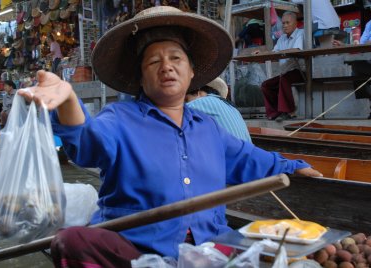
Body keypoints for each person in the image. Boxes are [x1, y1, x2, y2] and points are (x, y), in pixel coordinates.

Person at [18, 6, 322, 267]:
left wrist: (293, 166)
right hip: (137, 250)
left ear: (191, 72)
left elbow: (251, 159)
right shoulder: (119, 119)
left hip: (209, 247)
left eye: (176, 59)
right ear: (140, 77)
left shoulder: (208, 127)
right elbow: (87, 143)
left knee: (271, 247)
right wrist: (69, 100)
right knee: (69, 241)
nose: (166, 67)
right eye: (154, 62)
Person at [259, 11, 305, 122]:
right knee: (266, 85)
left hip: (300, 71)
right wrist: (261, 53)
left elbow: (297, 49)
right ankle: (275, 113)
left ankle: (289, 112)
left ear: (295, 23)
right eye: (283, 23)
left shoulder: (301, 33)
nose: (284, 26)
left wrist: (280, 52)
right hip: (285, 73)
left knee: (284, 79)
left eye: (287, 23)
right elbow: (274, 53)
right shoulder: (282, 38)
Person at [186, 77, 252, 142]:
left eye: (186, 100)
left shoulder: (202, 102)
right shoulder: (232, 108)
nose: (186, 103)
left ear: (198, 92)